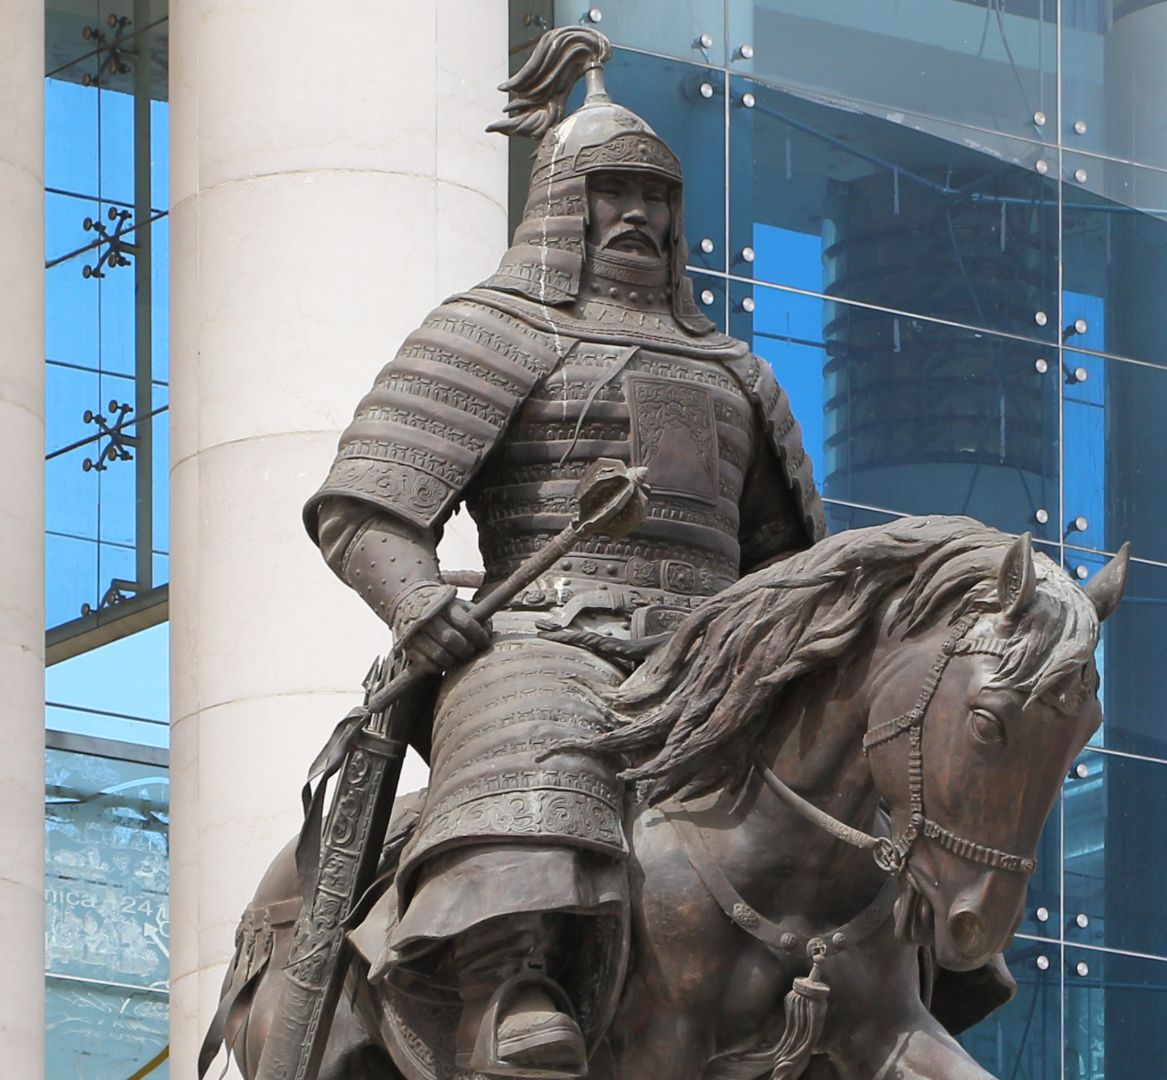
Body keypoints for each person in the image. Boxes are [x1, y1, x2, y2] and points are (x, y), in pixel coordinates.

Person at [302, 27, 823, 1078]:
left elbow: (784, 562)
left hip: (717, 660)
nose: (637, 215)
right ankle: (511, 980)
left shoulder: (738, 372)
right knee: (533, 736)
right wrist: (419, 604)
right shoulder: (493, 330)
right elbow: (367, 505)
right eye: (611, 191)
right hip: (550, 635)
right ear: (559, 203)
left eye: (655, 196)